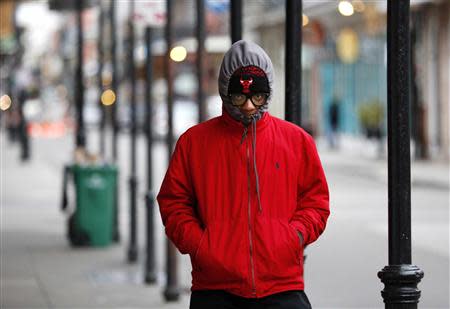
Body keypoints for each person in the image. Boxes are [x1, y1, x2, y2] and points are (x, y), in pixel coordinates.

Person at [157, 40, 330, 309]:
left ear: (268, 92)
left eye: (257, 97)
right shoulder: (193, 143)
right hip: (215, 289)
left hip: (282, 285)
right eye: (239, 97)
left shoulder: (297, 141)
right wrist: (202, 246)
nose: (249, 106)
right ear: (225, 91)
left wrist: (293, 237)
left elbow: (316, 201)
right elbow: (173, 203)